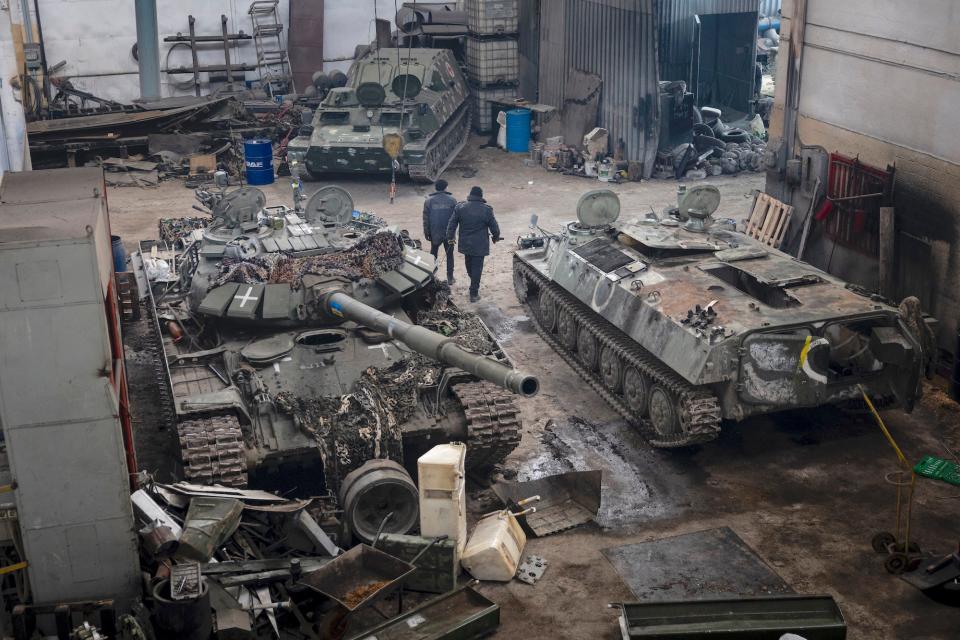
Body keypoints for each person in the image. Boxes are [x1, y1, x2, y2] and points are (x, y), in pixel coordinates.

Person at [446, 186, 501, 302]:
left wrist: (450, 238)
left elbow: (452, 224)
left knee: (469, 264)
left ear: (470, 195)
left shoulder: (460, 207)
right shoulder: (486, 209)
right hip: (480, 244)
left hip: (466, 243)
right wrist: (495, 237)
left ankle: (473, 283)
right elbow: (494, 227)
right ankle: (474, 293)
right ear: (481, 196)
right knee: (477, 268)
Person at [422, 179, 457, 283]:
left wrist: (427, 233)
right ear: (446, 187)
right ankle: (450, 277)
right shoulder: (453, 200)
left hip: (434, 233)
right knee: (450, 254)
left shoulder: (428, 201)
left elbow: (425, 219)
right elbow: (456, 218)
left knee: (433, 253)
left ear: (436, 188)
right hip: (450, 235)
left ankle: (432, 276)